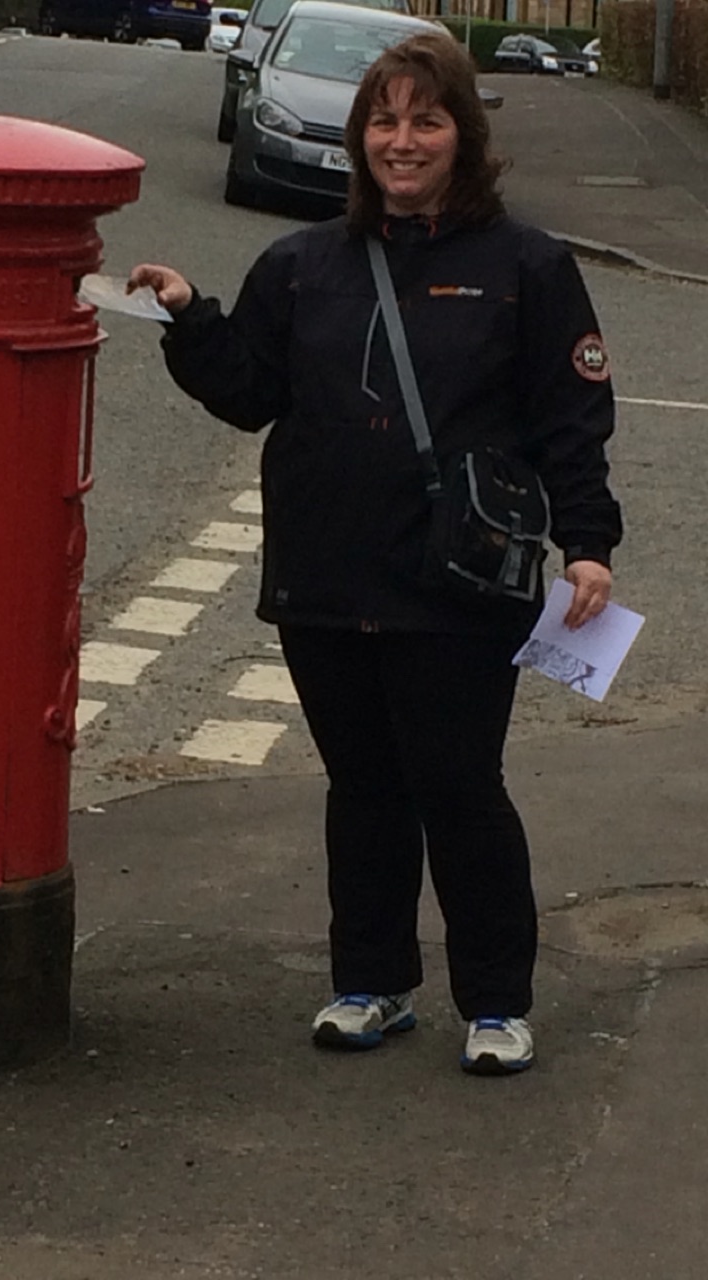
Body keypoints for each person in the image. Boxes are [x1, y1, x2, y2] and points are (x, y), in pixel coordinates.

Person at [127, 32, 621, 1075]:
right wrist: (189, 319)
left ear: (463, 138)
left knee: (460, 788)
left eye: (425, 121)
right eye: (384, 122)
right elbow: (251, 393)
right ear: (361, 140)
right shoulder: (302, 265)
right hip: (326, 576)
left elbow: (571, 420)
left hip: (458, 585)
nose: (403, 141)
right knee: (362, 789)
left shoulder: (527, 267)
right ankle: (370, 984)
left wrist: (589, 545)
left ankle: (496, 1002)